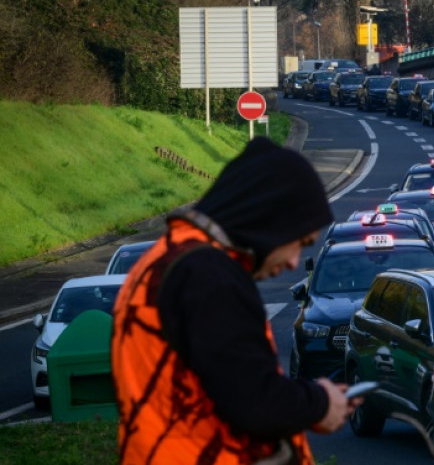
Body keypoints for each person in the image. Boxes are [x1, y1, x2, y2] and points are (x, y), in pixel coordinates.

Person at [111, 137, 354, 464]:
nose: (296, 261)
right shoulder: (208, 276)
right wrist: (320, 403)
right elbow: (255, 400)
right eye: (300, 241)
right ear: (271, 221)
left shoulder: (166, 261)